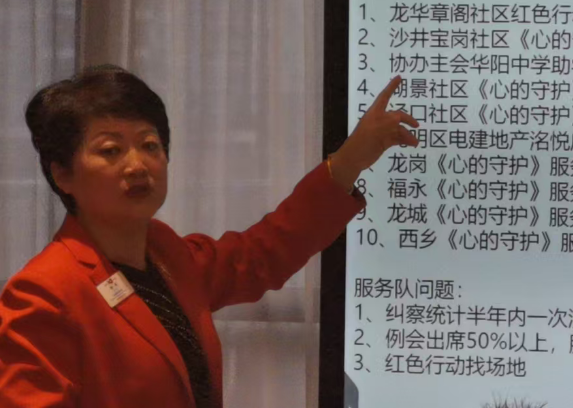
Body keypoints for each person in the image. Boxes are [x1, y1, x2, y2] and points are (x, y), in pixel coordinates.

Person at [0, 65, 418, 408]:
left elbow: (262, 254)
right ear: (62, 174)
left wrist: (350, 161)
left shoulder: (167, 254)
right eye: (111, 150)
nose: (137, 164)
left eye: (150, 145)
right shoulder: (45, 293)